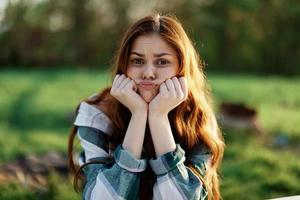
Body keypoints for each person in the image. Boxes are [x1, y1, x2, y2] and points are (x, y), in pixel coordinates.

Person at [68, 13, 225, 200]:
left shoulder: (198, 118)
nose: (148, 73)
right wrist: (139, 114)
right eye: (137, 61)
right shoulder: (98, 113)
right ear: (124, 67)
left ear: (182, 69)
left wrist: (158, 117)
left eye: (162, 62)